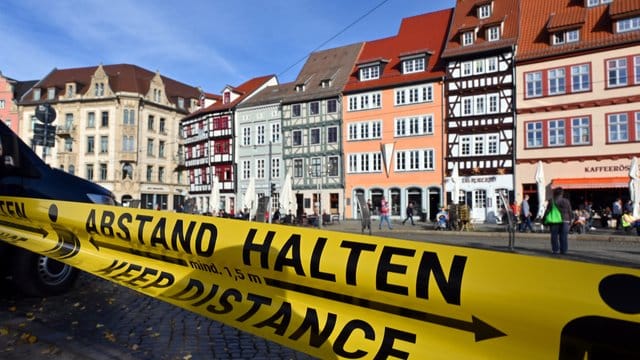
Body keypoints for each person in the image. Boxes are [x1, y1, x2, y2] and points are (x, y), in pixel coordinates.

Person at [544, 187, 572, 254]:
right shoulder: (566, 201)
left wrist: (544, 219)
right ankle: (564, 250)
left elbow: (547, 211)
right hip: (566, 220)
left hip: (555, 220)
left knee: (554, 235)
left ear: (554, 193)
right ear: (562, 193)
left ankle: (555, 250)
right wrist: (570, 220)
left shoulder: (552, 201)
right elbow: (570, 211)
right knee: (564, 236)